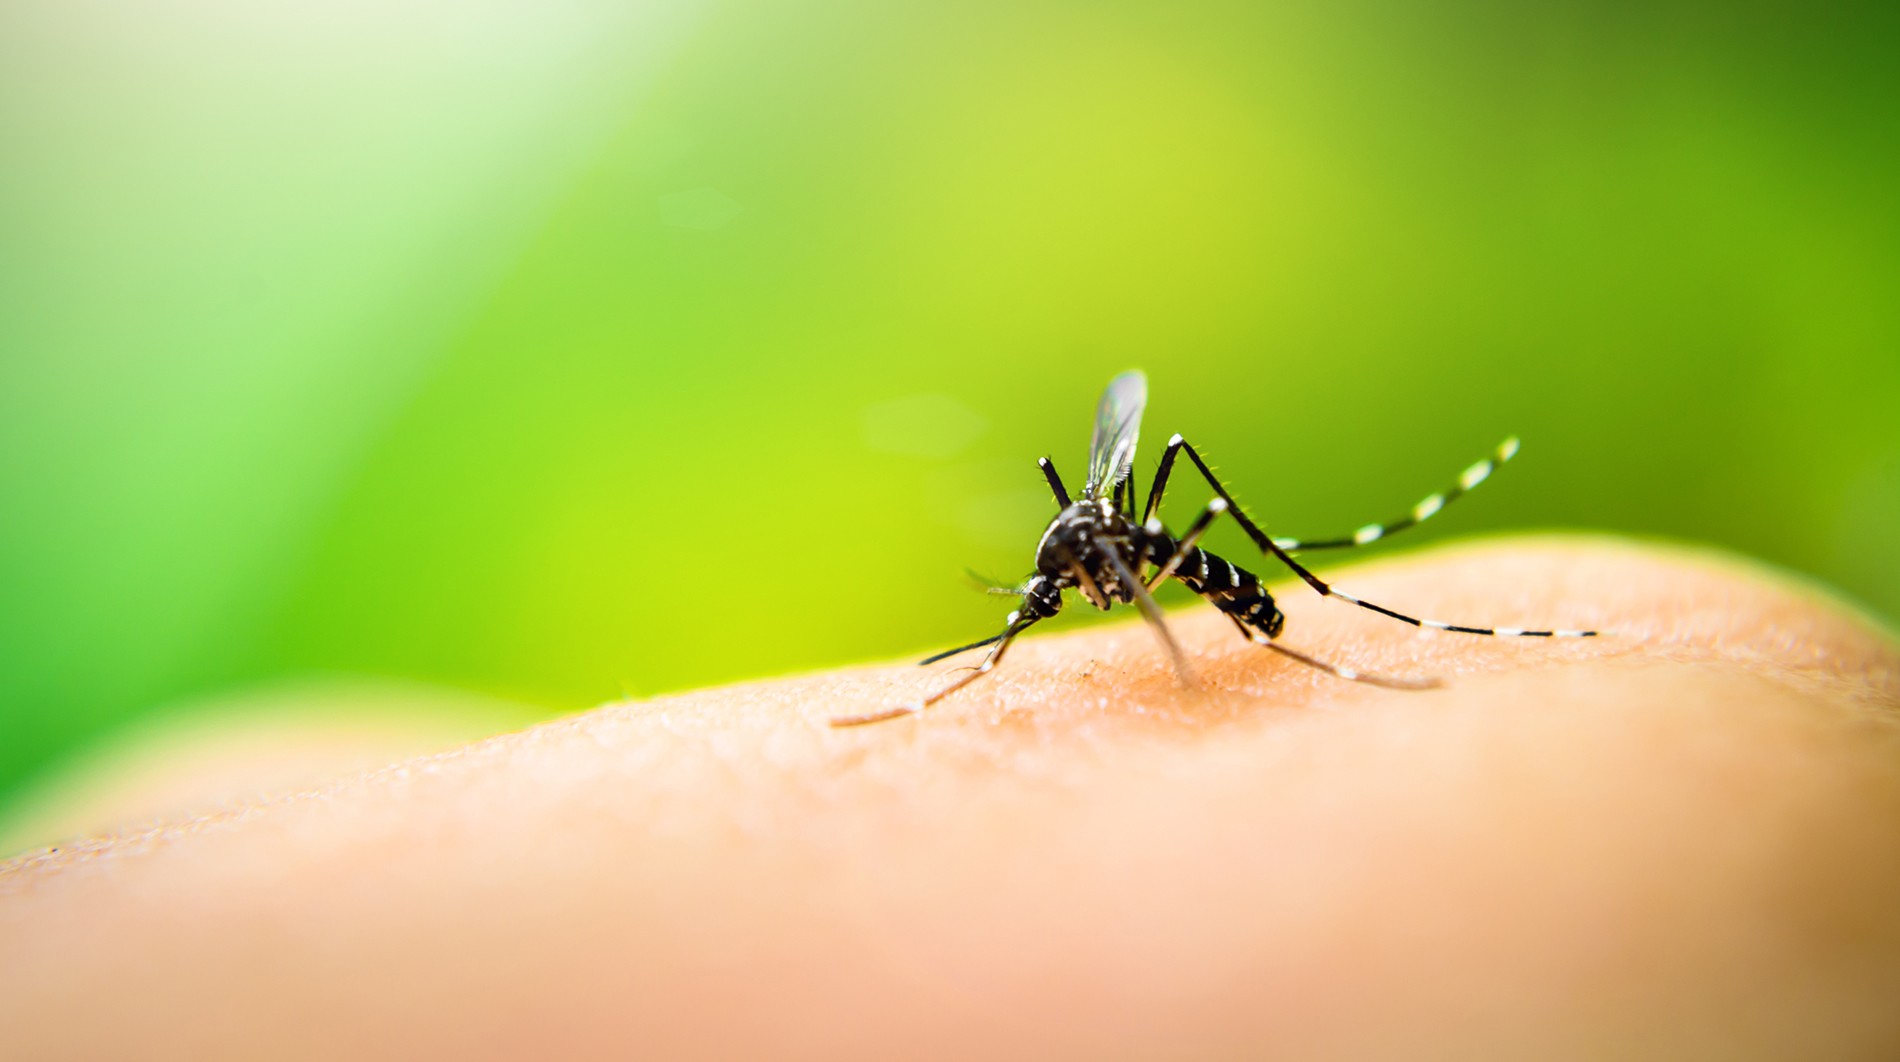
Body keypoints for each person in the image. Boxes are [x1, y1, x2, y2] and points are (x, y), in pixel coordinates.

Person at [3, 537, 1897, 1059]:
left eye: (1057, 596)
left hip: (1266, 601)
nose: (1059, 602)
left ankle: (1326, 612)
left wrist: (1232, 630)